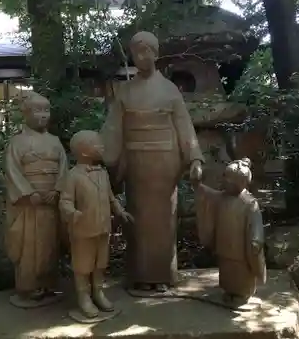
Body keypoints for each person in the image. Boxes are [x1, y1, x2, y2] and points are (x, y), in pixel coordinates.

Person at [101, 31, 205, 292]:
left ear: (156, 54)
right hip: (136, 164)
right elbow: (113, 128)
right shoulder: (124, 91)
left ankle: (163, 275)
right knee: (138, 219)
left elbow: (184, 125)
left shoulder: (169, 90)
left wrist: (194, 157)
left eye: (147, 51)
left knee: (164, 220)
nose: (142, 56)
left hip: (164, 163)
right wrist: (101, 153)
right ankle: (139, 275)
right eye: (137, 52)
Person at [4, 92, 68, 306]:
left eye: (46, 110)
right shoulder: (17, 142)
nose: (43, 115)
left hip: (50, 201)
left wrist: (58, 190)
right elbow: (12, 171)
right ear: (25, 114)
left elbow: (63, 169)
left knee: (49, 244)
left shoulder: (55, 141)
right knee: (29, 246)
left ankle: (49, 284)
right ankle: (29, 287)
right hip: (29, 203)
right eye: (37, 110)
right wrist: (28, 193)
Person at [60, 130, 133, 318]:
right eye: (98, 144)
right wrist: (74, 214)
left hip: (102, 228)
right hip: (82, 230)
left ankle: (98, 292)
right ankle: (83, 296)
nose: (102, 147)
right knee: (83, 265)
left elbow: (110, 198)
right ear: (84, 151)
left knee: (101, 263)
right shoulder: (73, 176)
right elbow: (65, 201)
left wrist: (120, 211)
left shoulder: (103, 173)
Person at [194, 158, 266, 306]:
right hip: (225, 245)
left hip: (241, 250)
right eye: (225, 180)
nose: (224, 183)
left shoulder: (250, 203)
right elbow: (209, 195)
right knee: (227, 271)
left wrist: (256, 239)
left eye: (229, 182)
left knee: (242, 273)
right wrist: (198, 186)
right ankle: (229, 292)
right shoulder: (222, 197)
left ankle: (242, 294)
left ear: (241, 183)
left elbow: (256, 224)